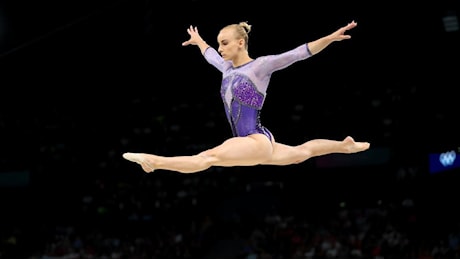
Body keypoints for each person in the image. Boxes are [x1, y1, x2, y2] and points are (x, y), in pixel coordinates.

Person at [123, 20, 370, 174]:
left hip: (255, 140)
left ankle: (154, 162)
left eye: (225, 43)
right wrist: (199, 41)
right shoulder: (227, 68)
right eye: (219, 44)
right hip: (257, 141)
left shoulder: (259, 67)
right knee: (300, 154)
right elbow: (210, 55)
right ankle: (344, 146)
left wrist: (329, 38)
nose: (220, 48)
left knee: (208, 157)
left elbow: (297, 54)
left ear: (240, 43)